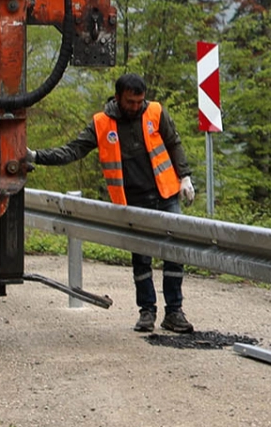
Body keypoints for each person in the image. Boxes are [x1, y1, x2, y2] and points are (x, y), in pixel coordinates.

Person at [29, 73, 198, 333]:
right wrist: (37, 156)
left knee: (174, 254)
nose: (135, 107)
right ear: (118, 98)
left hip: (165, 194)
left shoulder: (154, 112)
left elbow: (174, 143)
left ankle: (174, 311)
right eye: (130, 102)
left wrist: (184, 176)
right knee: (141, 257)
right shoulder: (102, 123)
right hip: (133, 201)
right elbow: (73, 150)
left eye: (139, 101)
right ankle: (147, 311)